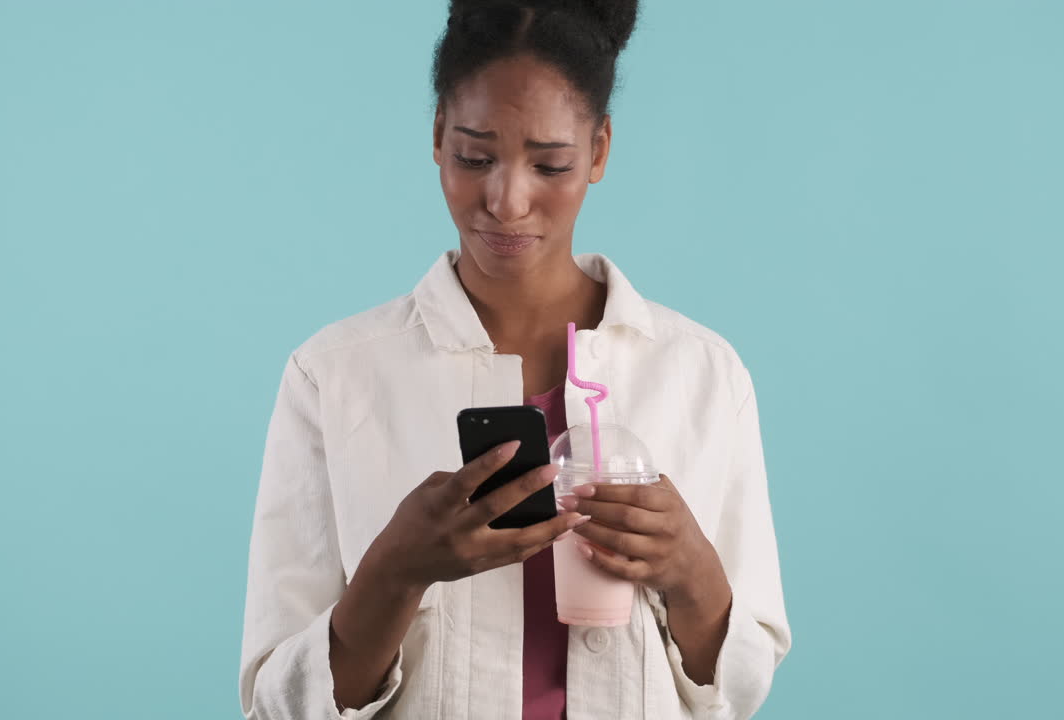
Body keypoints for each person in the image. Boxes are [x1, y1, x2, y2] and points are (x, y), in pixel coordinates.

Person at [238, 1, 791, 718]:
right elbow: (277, 704)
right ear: (438, 135)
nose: (506, 200)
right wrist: (396, 571)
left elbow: (743, 690)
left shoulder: (702, 375)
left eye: (550, 164)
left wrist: (691, 571)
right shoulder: (333, 376)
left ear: (598, 151)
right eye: (475, 157)